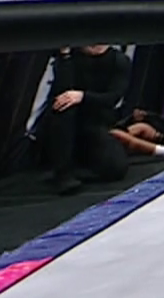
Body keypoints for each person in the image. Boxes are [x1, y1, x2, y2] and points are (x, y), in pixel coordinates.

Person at [36, 43, 132, 195]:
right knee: (64, 106)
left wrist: (83, 97)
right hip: (67, 121)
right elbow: (63, 91)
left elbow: (112, 98)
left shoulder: (119, 60)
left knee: (116, 167)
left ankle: (79, 168)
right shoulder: (71, 56)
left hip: (95, 122)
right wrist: (65, 56)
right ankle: (63, 173)